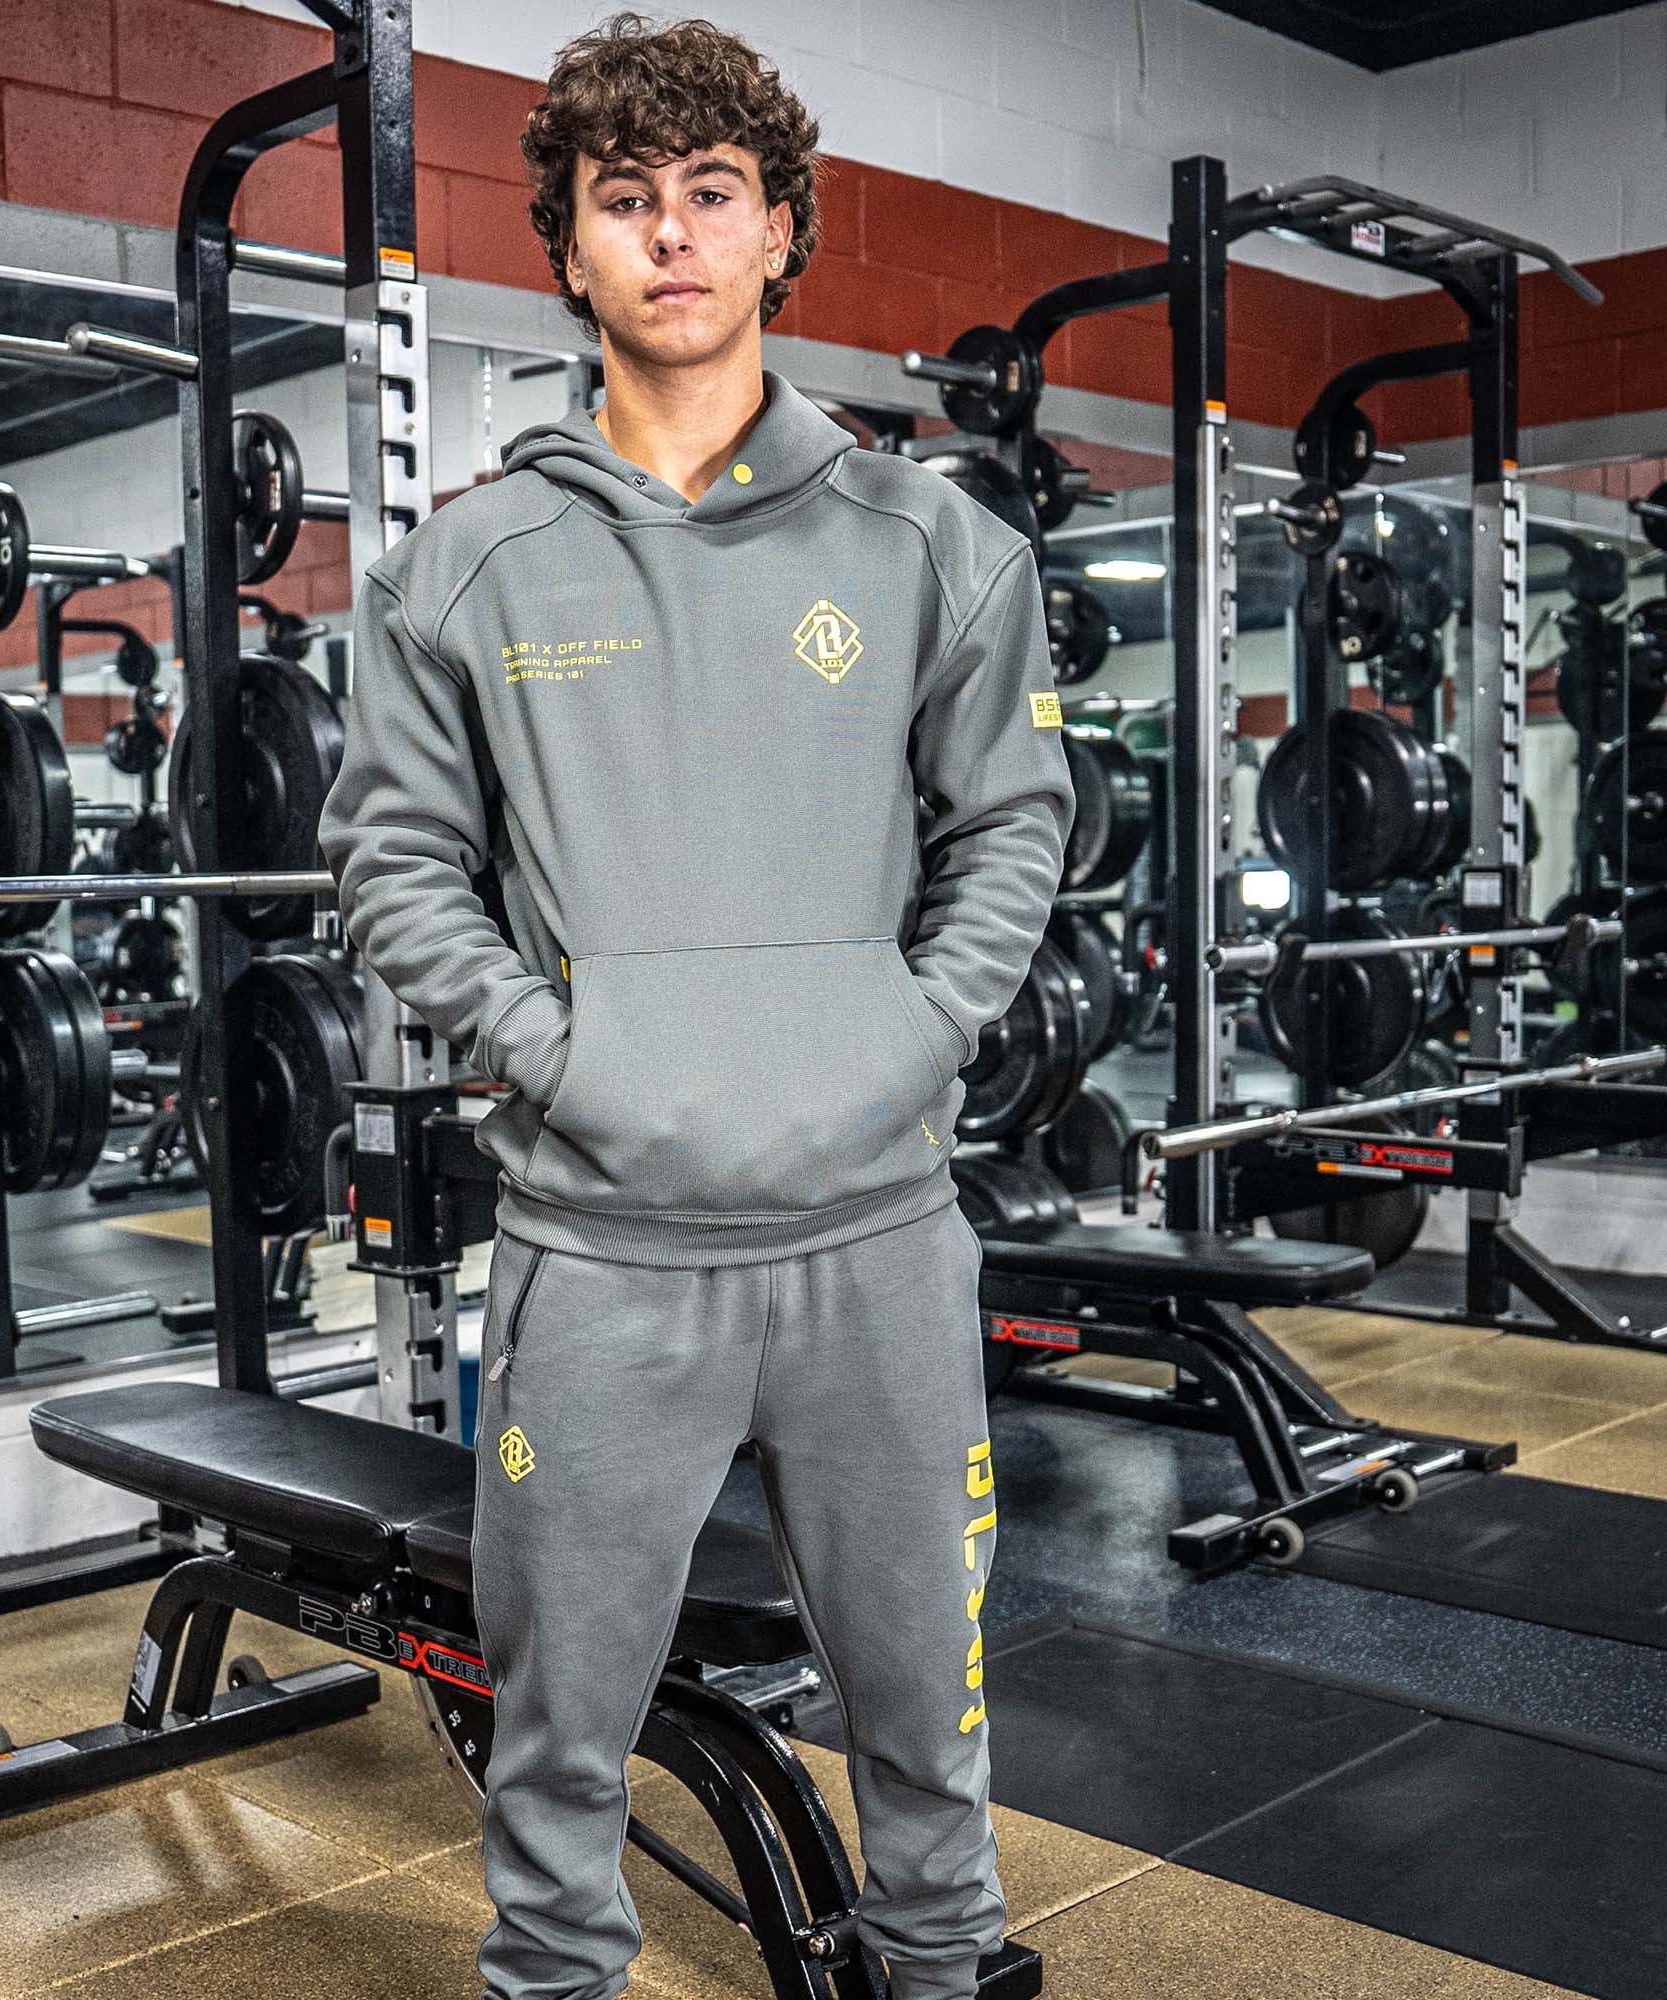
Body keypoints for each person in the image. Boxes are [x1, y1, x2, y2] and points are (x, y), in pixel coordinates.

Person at [321, 17, 1072, 1998]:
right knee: (558, 1735)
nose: (670, 234)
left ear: (779, 237)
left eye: (711, 197)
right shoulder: (460, 570)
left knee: (927, 1700)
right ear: (566, 249)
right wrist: (555, 1047)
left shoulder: (936, 549)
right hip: (603, 1250)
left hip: (878, 1237)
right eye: (623, 200)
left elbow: (1015, 823)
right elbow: (394, 864)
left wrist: (914, 1032)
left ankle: (941, 1963)